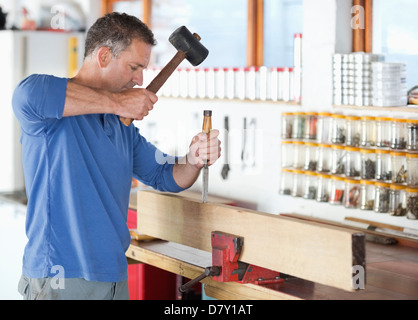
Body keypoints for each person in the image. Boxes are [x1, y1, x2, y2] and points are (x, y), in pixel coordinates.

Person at [12, 12, 221, 300]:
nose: (140, 79)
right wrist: (118, 102)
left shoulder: (121, 128)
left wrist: (194, 158)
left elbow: (166, 176)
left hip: (113, 278)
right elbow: (28, 95)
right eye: (134, 67)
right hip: (61, 275)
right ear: (103, 56)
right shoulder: (46, 112)